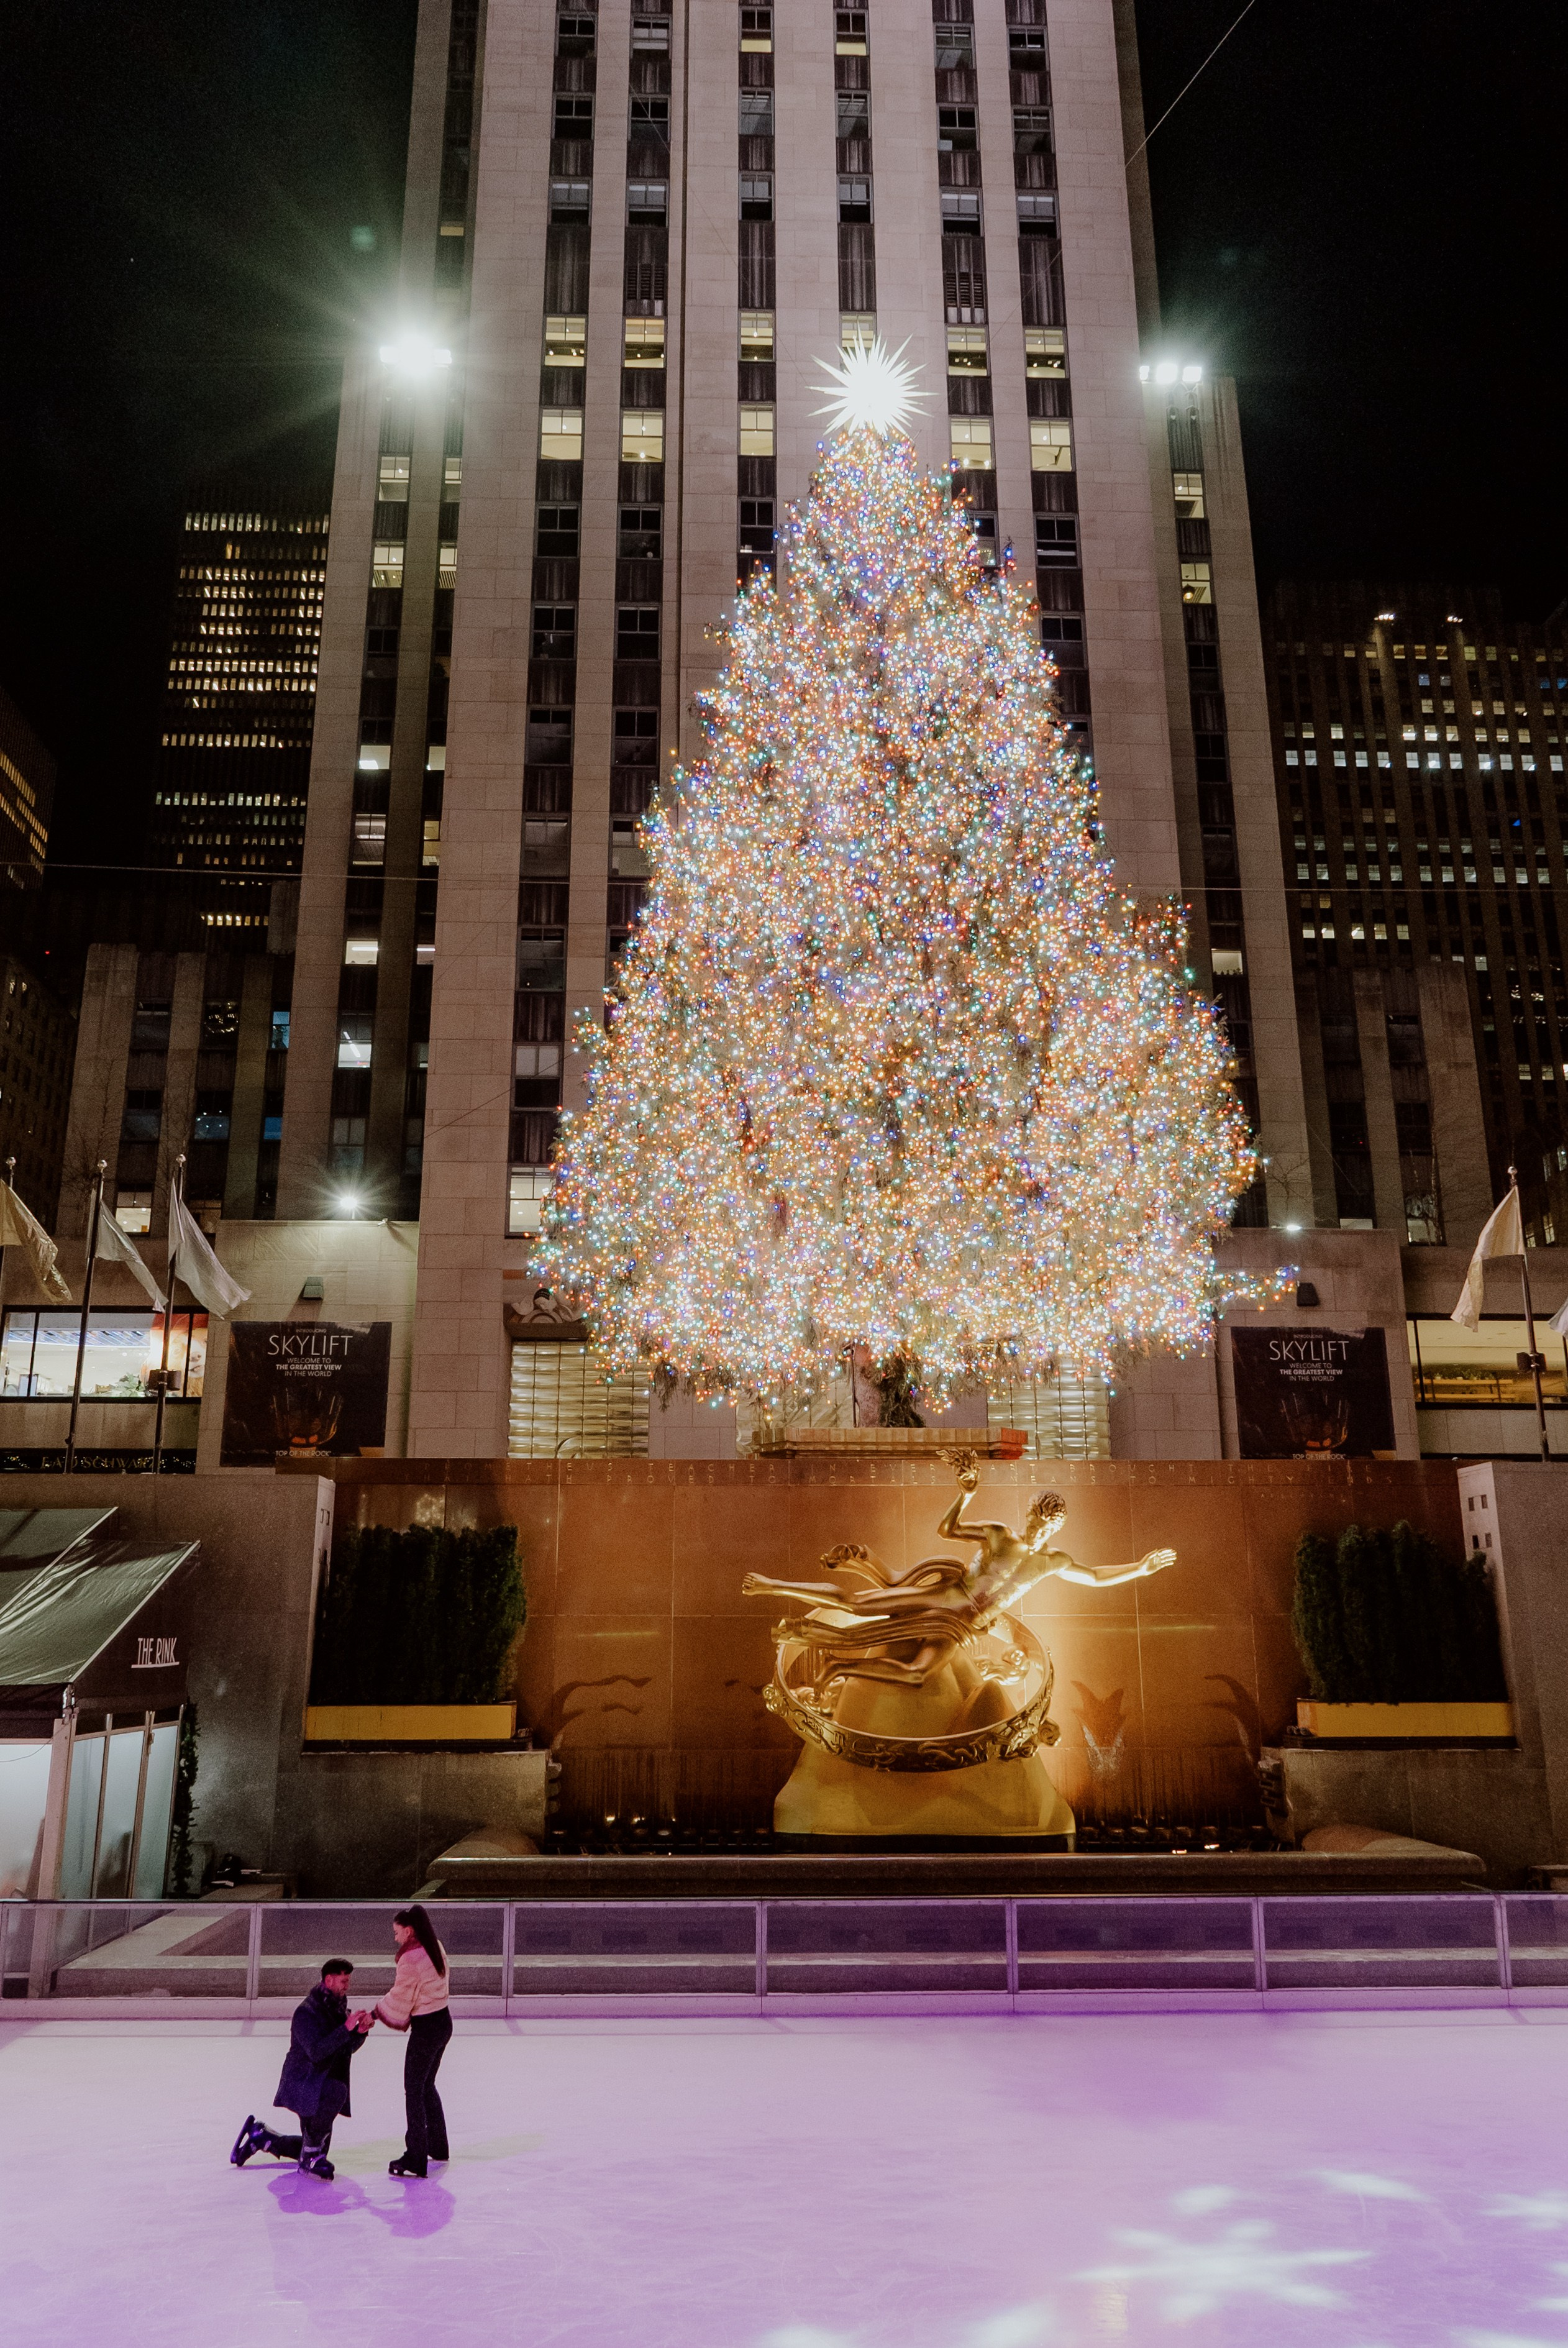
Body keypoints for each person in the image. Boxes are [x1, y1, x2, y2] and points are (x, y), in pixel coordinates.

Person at [229, 1958, 374, 2180]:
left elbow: (345, 2049)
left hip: (320, 2083)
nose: (347, 1986)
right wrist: (346, 2028)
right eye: (344, 1981)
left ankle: (262, 2137)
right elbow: (316, 2052)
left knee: (317, 2149)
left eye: (348, 1981)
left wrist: (360, 2032)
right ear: (329, 1980)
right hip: (305, 2084)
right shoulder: (307, 2013)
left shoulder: (337, 2009)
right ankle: (306, 2153)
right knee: (335, 2096)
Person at [374, 1903, 452, 2179]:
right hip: (444, 2023)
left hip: (427, 2028)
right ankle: (438, 2146)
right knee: (426, 2086)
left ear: (409, 1930)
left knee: (414, 2091)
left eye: (397, 1932)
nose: (395, 1938)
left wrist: (375, 2013)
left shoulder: (411, 1958)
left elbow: (400, 1996)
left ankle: (416, 2157)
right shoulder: (435, 1946)